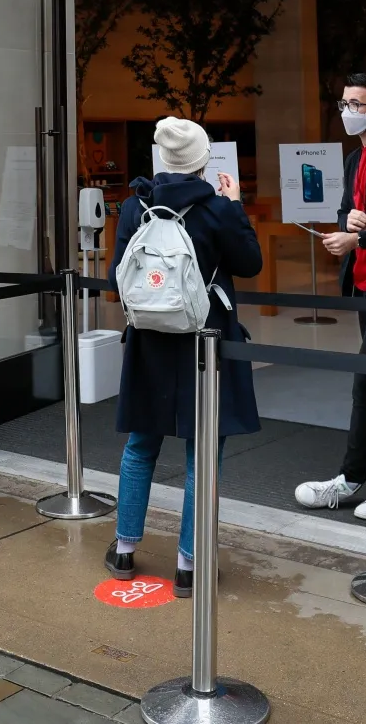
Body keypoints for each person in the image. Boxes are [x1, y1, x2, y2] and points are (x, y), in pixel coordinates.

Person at [106, 117, 262, 596]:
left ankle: (125, 550)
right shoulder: (216, 208)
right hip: (205, 339)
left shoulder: (136, 207)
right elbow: (250, 264)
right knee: (202, 457)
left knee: (140, 447)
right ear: (202, 161)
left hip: (150, 339)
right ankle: (188, 565)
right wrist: (235, 207)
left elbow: (117, 274)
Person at [295, 73, 366, 521]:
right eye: (343, 103)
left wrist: (361, 239)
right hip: (364, 286)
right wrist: (346, 222)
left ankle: (358, 478)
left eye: (356, 104)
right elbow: (343, 210)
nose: (347, 112)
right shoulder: (356, 159)